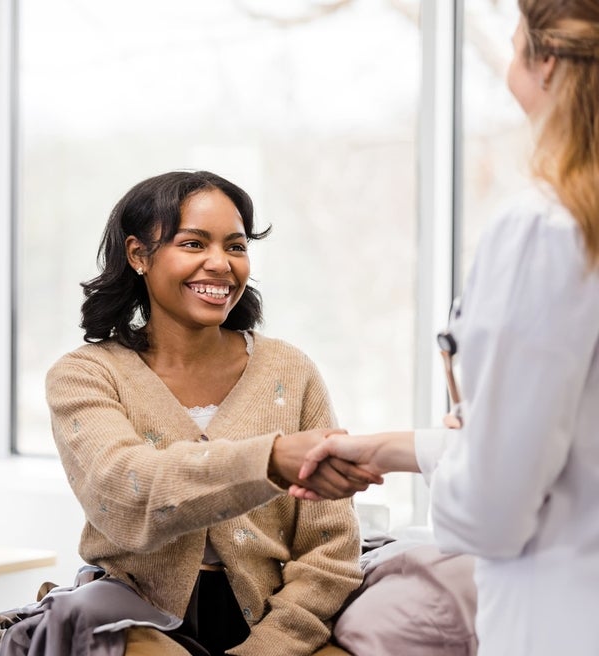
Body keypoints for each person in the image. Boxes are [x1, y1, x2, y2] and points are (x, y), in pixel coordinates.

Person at [292, 2, 599, 655]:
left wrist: (465, 453)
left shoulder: (547, 231)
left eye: (515, 46)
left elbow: (490, 514)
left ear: (547, 61)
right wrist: (395, 451)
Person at [44, 170, 375, 656]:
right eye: (194, 244)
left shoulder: (290, 370)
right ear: (139, 255)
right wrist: (271, 460)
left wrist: (272, 644)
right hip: (134, 618)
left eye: (236, 247)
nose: (220, 264)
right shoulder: (86, 375)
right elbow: (125, 492)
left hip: (272, 614)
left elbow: (330, 547)